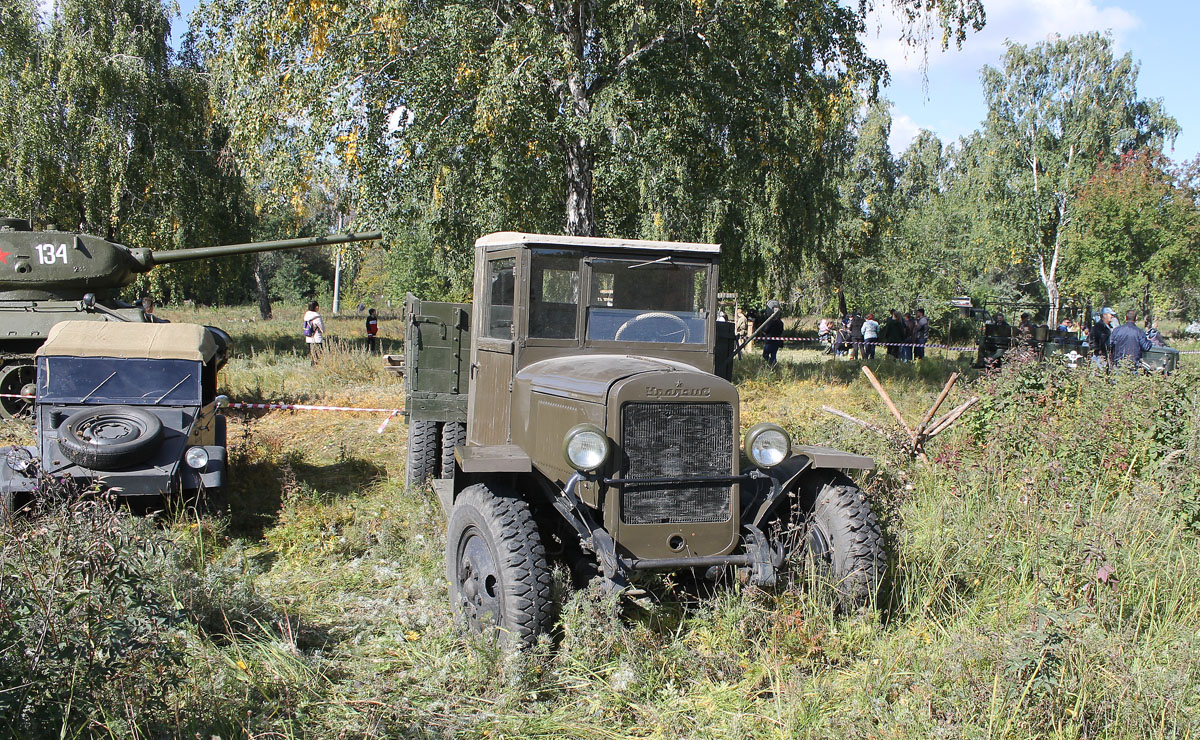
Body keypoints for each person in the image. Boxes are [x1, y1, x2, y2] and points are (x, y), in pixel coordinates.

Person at [760, 300, 784, 367]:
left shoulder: (771, 322)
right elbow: (781, 331)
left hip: (770, 341)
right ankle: (774, 365)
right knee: (773, 355)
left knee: (765, 355)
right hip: (777, 341)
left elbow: (766, 330)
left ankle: (772, 364)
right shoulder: (781, 323)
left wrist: (763, 332)